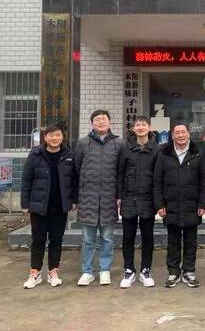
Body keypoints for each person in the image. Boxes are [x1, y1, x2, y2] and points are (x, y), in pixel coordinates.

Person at [21, 123, 77, 289]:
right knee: (38, 240)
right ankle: (35, 273)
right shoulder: (36, 154)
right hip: (39, 206)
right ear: (45, 137)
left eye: (58, 135)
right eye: (51, 135)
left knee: (56, 240)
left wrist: (73, 200)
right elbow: (26, 179)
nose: (55, 138)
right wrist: (25, 203)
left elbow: (74, 180)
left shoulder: (68, 155)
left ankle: (53, 272)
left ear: (62, 137)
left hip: (59, 206)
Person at [153, 122, 205, 288]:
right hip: (171, 205)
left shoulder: (198, 154)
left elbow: (204, 181)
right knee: (173, 241)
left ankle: (189, 271)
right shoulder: (164, 154)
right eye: (177, 133)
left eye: (183, 132)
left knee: (191, 241)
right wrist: (159, 204)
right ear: (172, 136)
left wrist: (203, 204)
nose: (180, 135)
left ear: (188, 134)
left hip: (192, 205)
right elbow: (157, 181)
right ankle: (173, 272)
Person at [74, 110, 123, 287]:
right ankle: (87, 271)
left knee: (107, 238)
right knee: (88, 239)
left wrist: (119, 195)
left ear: (109, 122)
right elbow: (77, 169)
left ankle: (104, 270)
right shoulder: (83, 143)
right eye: (97, 119)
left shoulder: (118, 143)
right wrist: (78, 195)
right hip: (88, 198)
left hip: (109, 198)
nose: (101, 122)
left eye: (104, 119)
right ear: (92, 123)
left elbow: (121, 171)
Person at [117, 116, 160, 288]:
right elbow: (120, 173)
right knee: (128, 236)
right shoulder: (125, 148)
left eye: (143, 124)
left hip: (148, 199)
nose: (140, 127)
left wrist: (159, 201)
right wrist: (118, 196)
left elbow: (159, 177)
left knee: (148, 237)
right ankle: (129, 270)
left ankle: (145, 270)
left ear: (149, 128)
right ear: (133, 129)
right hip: (128, 198)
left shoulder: (156, 149)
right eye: (137, 125)